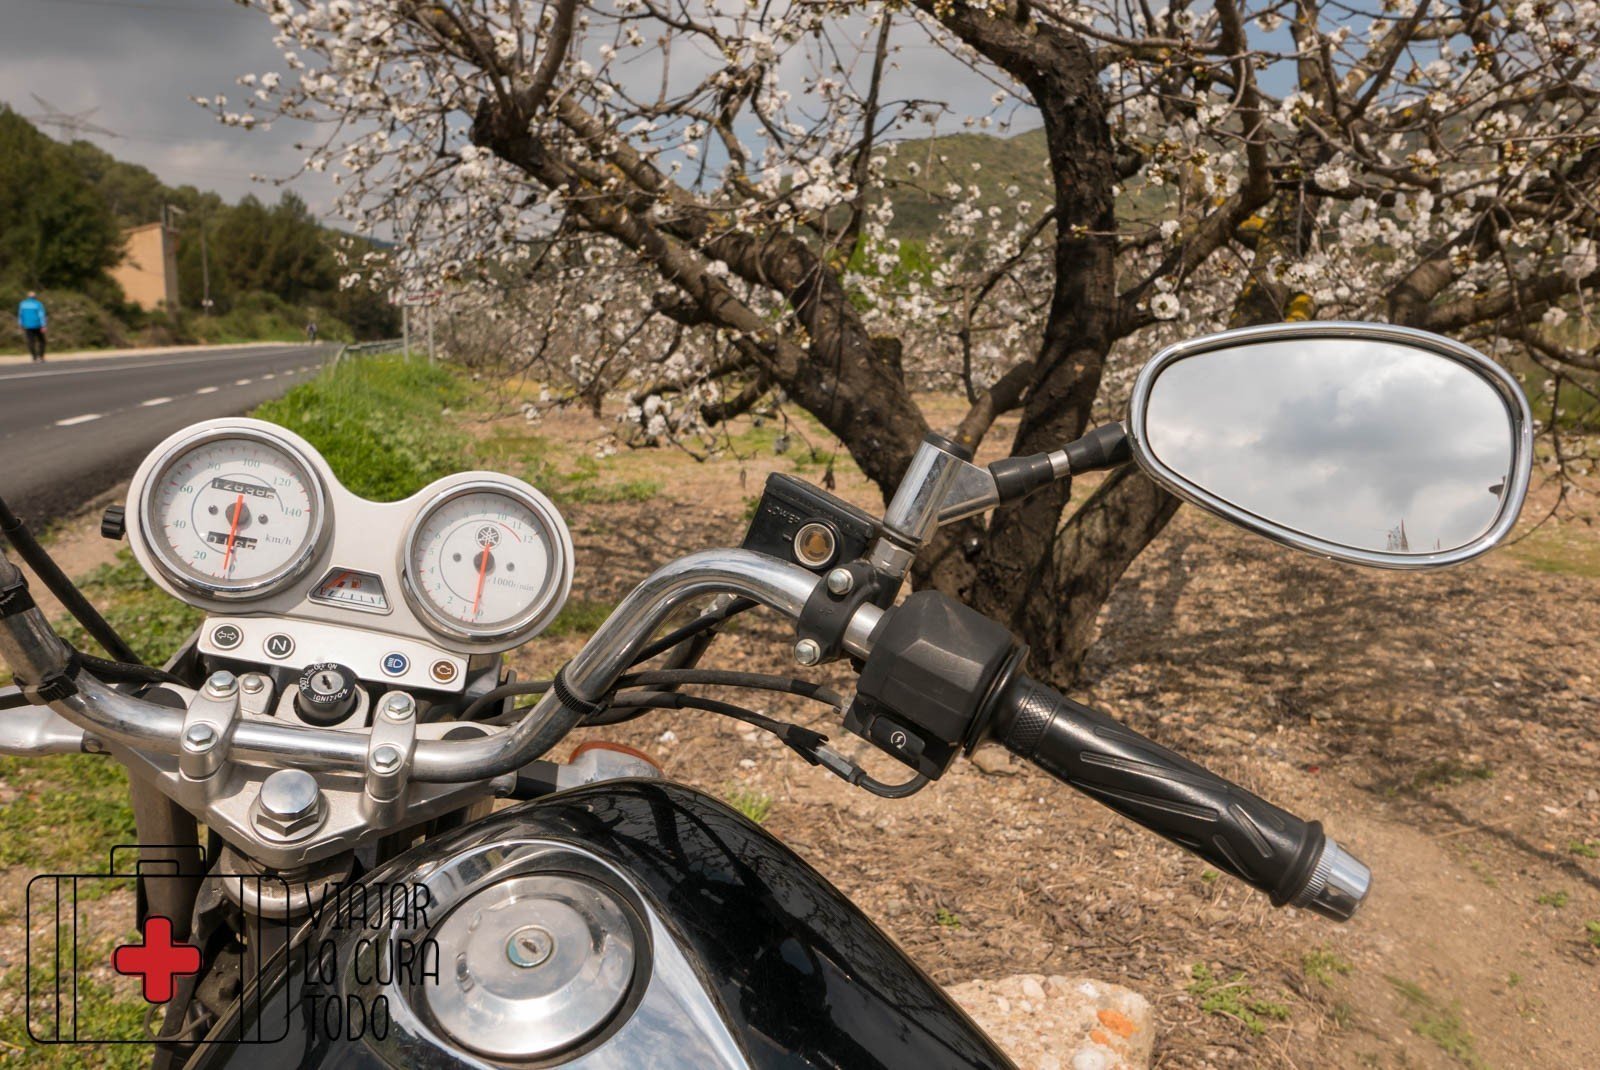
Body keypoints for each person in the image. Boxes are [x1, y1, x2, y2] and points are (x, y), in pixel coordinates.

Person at [17, 292, 47, 362]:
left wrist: (20, 325)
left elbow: (20, 315)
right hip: (38, 325)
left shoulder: (23, 304)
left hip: (27, 325)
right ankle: (41, 356)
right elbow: (41, 315)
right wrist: (43, 325)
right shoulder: (38, 304)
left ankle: (34, 357)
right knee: (42, 341)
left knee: (30, 341)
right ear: (35, 297)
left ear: (27, 297)